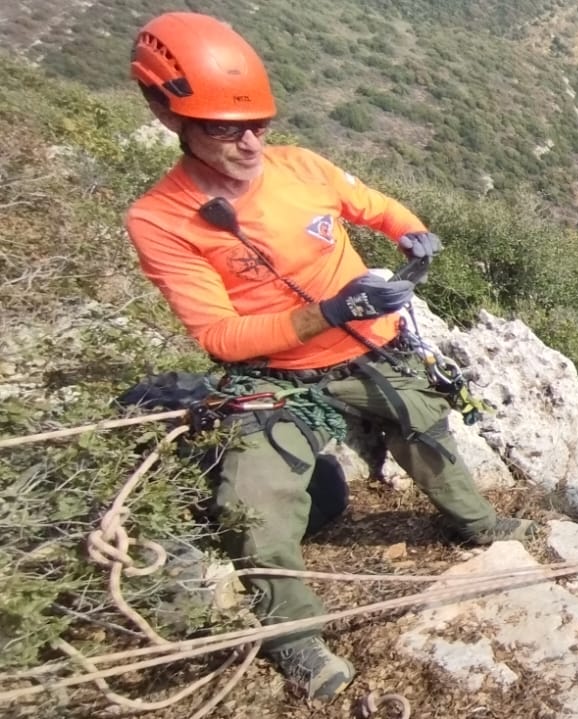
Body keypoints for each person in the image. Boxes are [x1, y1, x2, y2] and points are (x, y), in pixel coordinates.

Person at [124, 12, 533, 701]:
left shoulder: (301, 167)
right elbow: (220, 337)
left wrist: (413, 233)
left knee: (425, 425)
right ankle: (294, 637)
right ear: (169, 116)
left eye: (258, 124)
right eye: (227, 127)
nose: (250, 141)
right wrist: (329, 311)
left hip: (371, 348)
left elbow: (372, 205)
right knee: (254, 501)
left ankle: (475, 523)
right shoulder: (161, 220)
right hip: (274, 374)